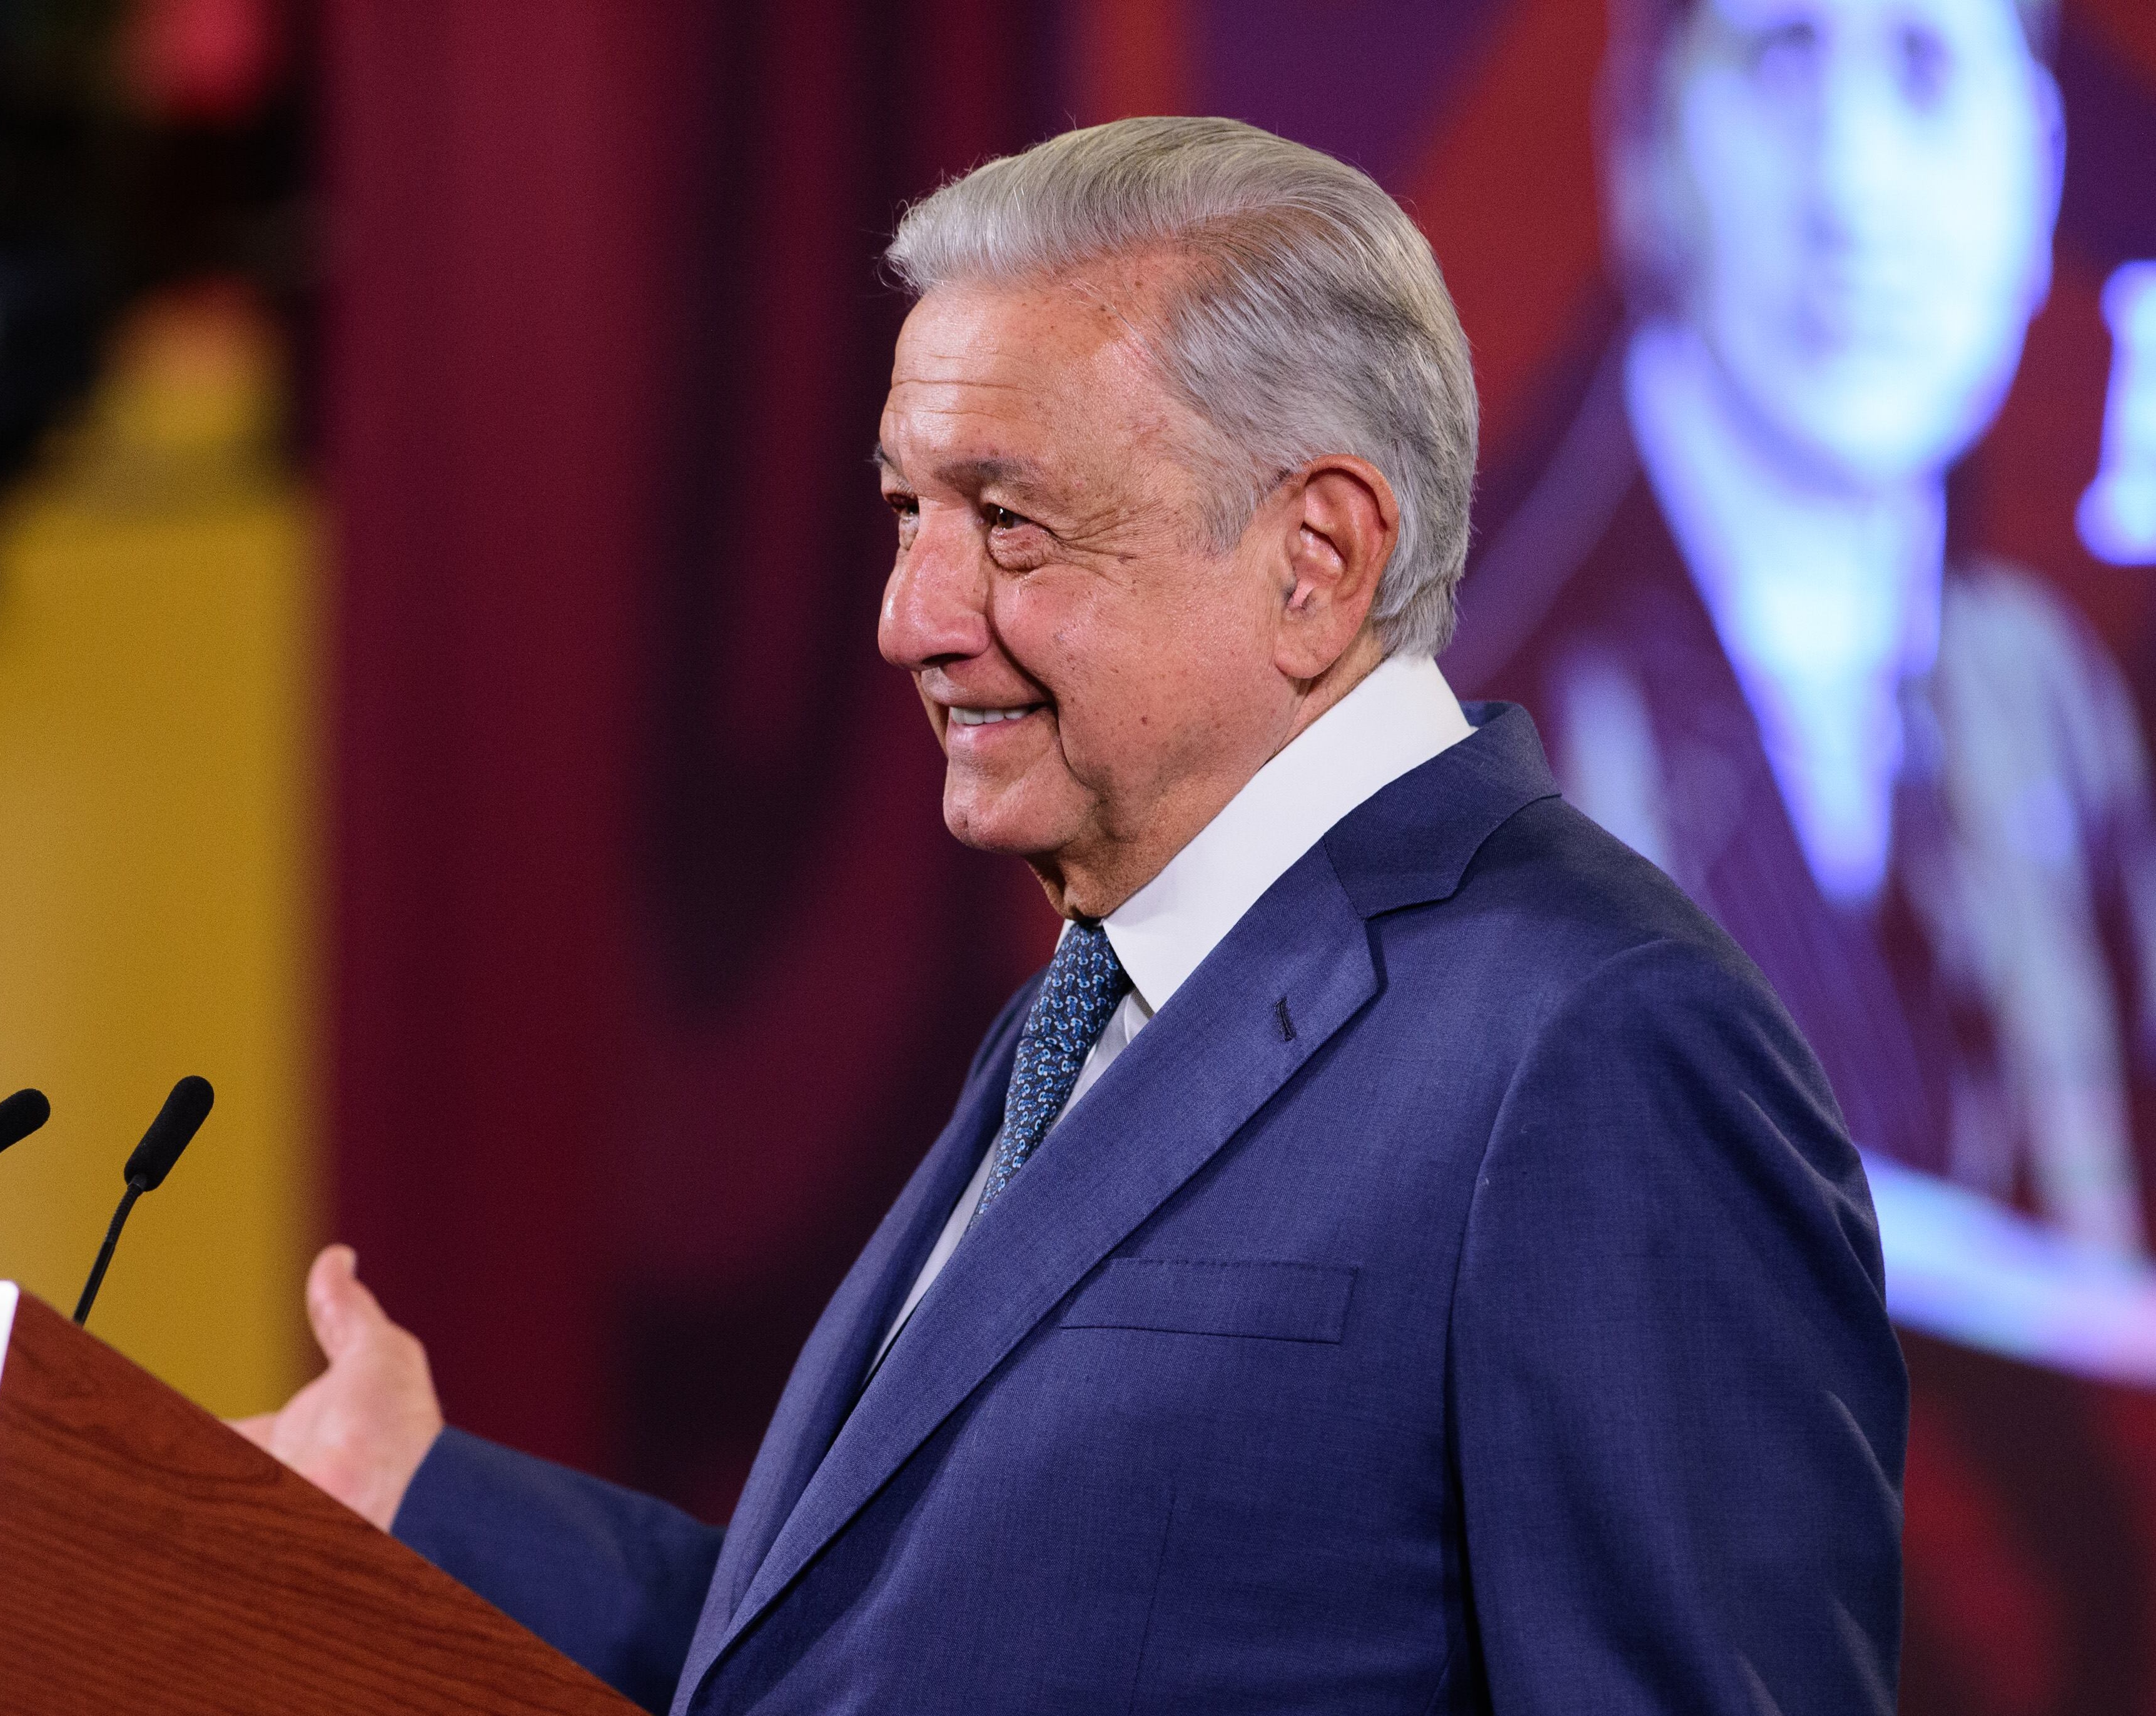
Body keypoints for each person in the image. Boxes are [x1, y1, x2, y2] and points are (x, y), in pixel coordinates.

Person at [236, 116, 1906, 1715]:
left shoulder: (1593, 1043)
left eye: (1007, 522)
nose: (910, 620)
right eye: (906, 514)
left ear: (1314, 558)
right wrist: (423, 1501)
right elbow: (914, 1657)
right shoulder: (1106, 991)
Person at [1448, 0, 2156, 1259]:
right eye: (1782, 60)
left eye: (1929, 72)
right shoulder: (1465, 710)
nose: (1856, 189)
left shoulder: (2054, 699)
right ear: (1643, 143)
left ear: (2038, 168)